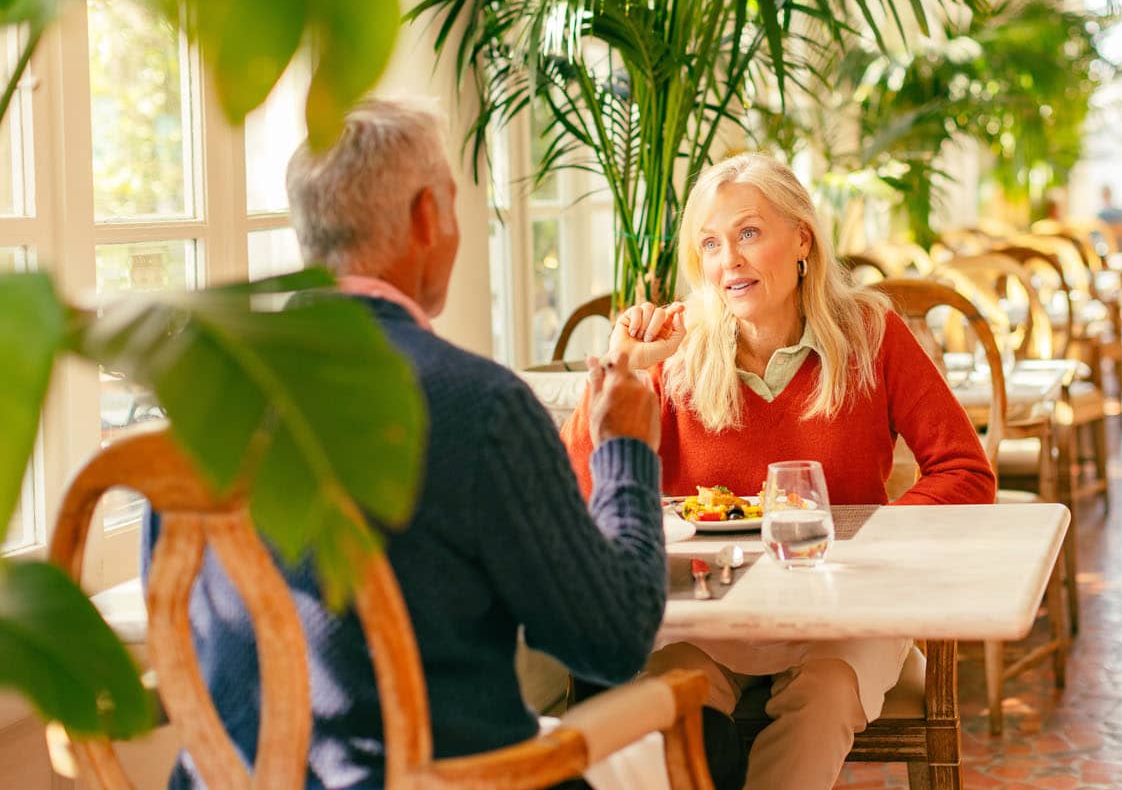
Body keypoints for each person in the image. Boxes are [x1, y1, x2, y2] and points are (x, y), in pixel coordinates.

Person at [145, 98, 672, 790]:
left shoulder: (204, 404)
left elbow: (185, 634)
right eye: (455, 205)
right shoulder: (479, 407)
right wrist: (624, 451)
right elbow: (612, 639)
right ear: (429, 215)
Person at [561, 153, 997, 790]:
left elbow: (965, 471)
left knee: (819, 700)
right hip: (713, 616)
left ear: (802, 239)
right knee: (667, 700)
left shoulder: (872, 333)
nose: (728, 260)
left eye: (747, 233)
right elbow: (577, 488)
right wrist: (624, 366)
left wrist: (863, 539)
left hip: (847, 613)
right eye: (711, 243)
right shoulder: (674, 356)